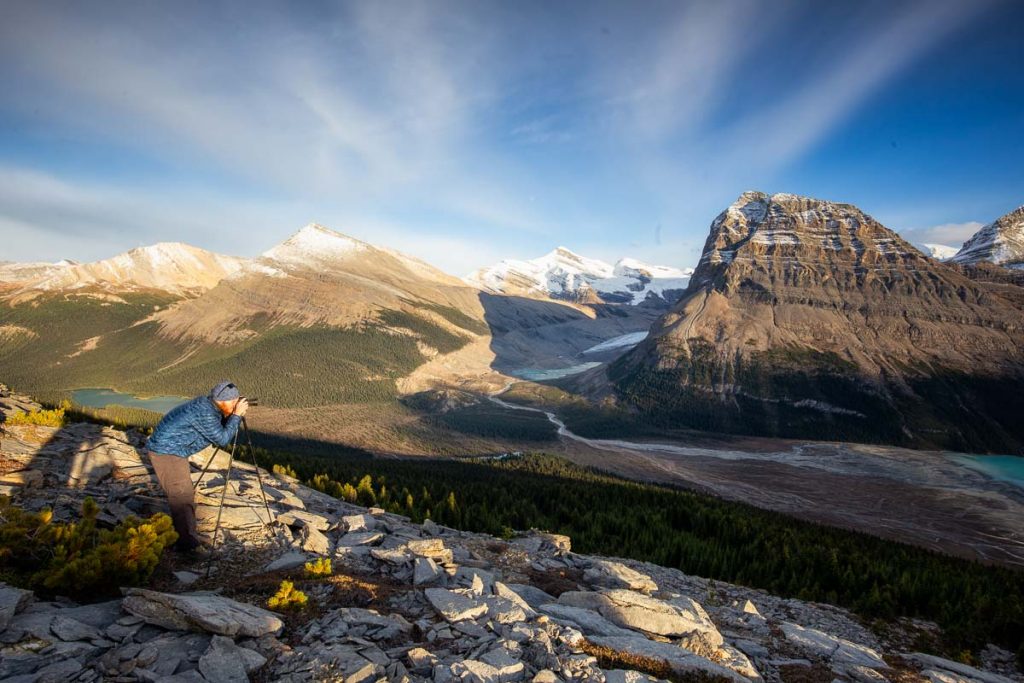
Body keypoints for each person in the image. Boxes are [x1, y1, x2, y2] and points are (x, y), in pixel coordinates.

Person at [146, 381, 249, 551]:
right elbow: (222, 439)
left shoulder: (209, 406)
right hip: (167, 452)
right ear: (221, 401)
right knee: (182, 496)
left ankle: (185, 535)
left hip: (172, 449)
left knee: (183, 493)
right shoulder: (205, 413)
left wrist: (233, 414)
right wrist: (236, 416)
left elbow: (219, 429)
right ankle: (188, 546)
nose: (235, 405)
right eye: (233, 402)